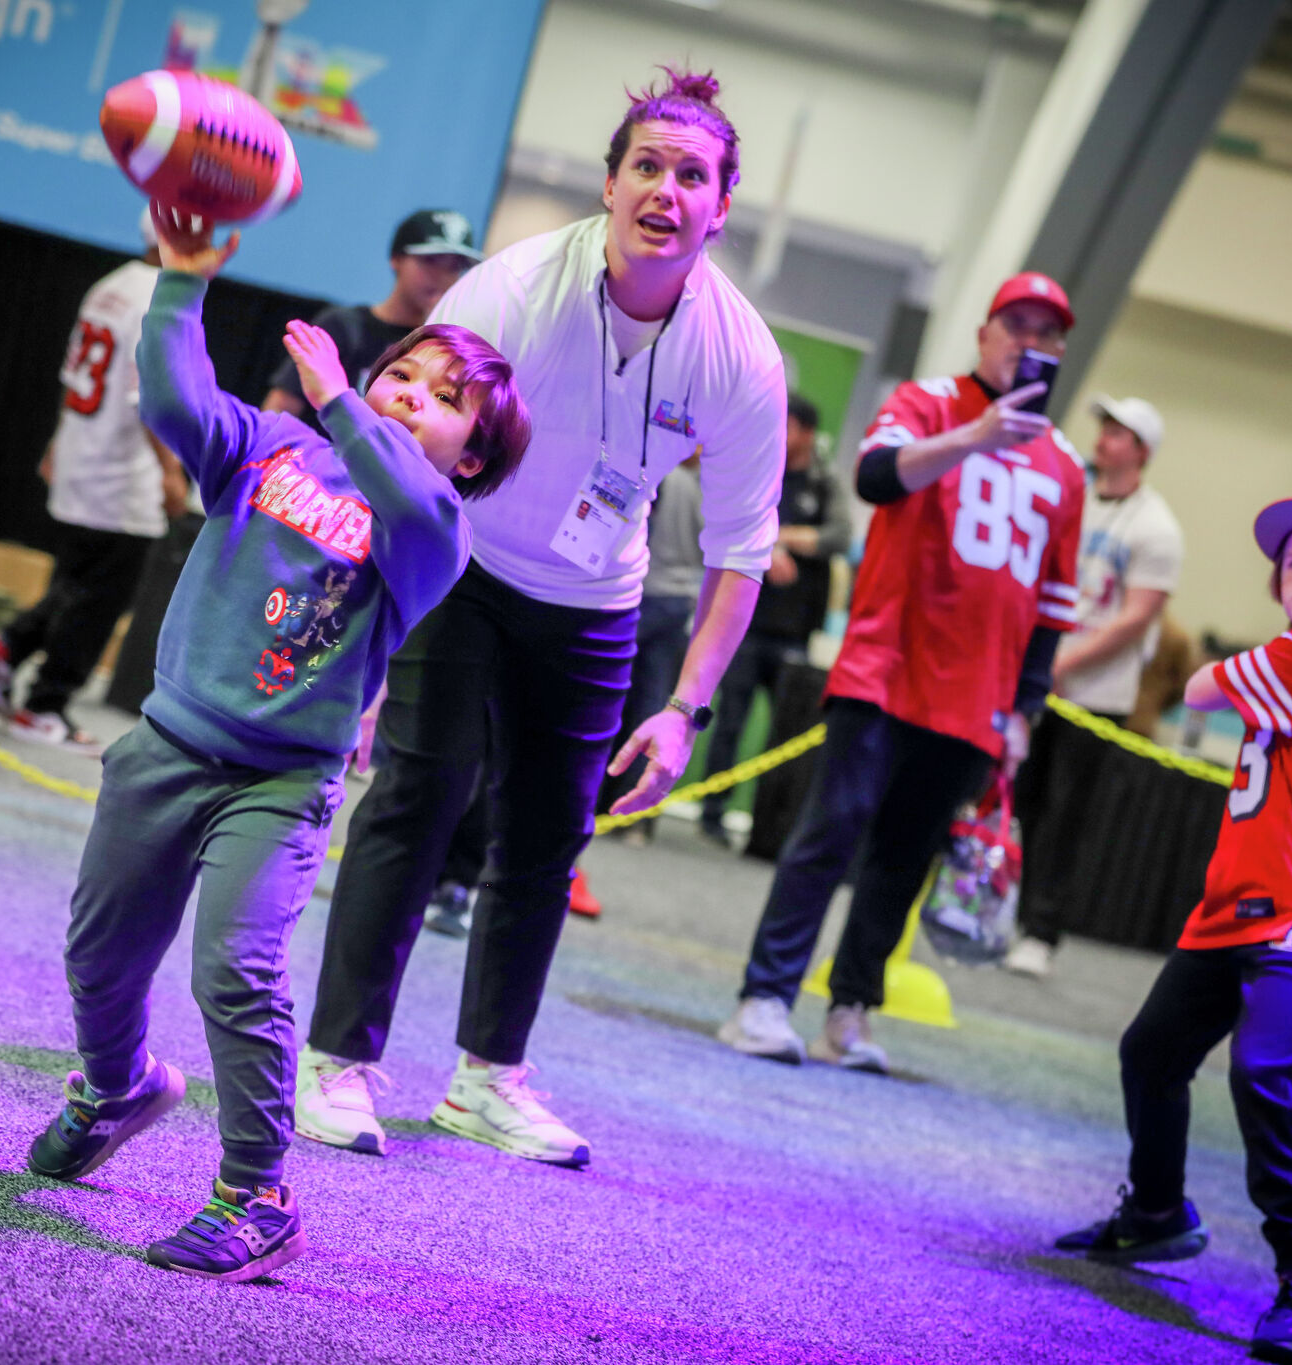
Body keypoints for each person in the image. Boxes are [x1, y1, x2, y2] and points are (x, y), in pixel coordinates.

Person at [23, 209, 529, 1284]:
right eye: (408, 377)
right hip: (165, 744)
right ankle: (112, 1086)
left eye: (447, 404)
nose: (412, 400)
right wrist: (181, 281)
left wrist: (346, 400)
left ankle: (257, 1196)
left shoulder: (433, 524)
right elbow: (172, 399)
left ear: (471, 458)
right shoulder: (272, 445)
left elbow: (398, 484)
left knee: (238, 973)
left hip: (283, 781)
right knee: (98, 958)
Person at [296, 67, 785, 1166]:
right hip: (458, 566)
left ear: (720, 205)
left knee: (546, 839)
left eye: (691, 175)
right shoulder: (508, 290)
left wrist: (685, 710)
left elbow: (739, 553)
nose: (666, 189)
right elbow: (404, 461)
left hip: (595, 600)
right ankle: (335, 1060)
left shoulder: (741, 357)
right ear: (609, 186)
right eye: (646, 167)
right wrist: (368, 643)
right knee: (418, 795)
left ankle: (485, 1078)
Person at [1056, 495, 1292, 1361]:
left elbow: (1200, 687)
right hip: (1245, 901)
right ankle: (1156, 1212)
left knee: (1260, 1071)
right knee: (1153, 1051)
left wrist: (1265, 651)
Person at [718, 271, 1086, 1072]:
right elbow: (874, 478)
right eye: (1016, 323)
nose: (1030, 341)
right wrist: (973, 437)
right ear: (986, 332)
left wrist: (1026, 706)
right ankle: (765, 998)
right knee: (830, 834)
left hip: (977, 697)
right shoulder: (926, 403)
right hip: (887, 668)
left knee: (904, 859)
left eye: (1048, 332)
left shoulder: (1066, 467)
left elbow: (1054, 605)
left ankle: (849, 1011)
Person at [0, 217, 189, 754]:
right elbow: (147, 396)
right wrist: (171, 470)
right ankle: (46, 704)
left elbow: (75, 375)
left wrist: (58, 443)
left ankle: (7, 647)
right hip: (121, 469)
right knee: (100, 597)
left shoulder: (109, 284)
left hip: (85, 453)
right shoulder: (160, 297)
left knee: (79, 580)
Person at [1003, 394, 1183, 977]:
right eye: (1103, 426)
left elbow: (1138, 617)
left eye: (1118, 431)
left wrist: (1066, 662)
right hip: (1037, 682)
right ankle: (1002, 909)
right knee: (1018, 799)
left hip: (1095, 696)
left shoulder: (1156, 527)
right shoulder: (1068, 492)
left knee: (1065, 814)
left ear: (1142, 452)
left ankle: (1042, 931)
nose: (1103, 437)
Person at [699, 392, 852, 848]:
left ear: (804, 433)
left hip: (795, 634)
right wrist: (767, 549)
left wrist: (776, 538)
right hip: (745, 625)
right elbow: (732, 520)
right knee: (729, 723)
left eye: (786, 425)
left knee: (786, 735)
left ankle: (769, 831)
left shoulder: (825, 483)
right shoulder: (762, 470)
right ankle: (712, 814)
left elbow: (839, 536)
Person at [261, 209, 482, 426]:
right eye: (431, 260)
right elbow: (279, 409)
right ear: (396, 259)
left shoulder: (449, 350)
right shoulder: (343, 326)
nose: (443, 276)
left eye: (455, 267)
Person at [597, 454, 706, 845]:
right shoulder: (709, 488)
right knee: (650, 706)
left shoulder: (663, 476)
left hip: (643, 595)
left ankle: (589, 803)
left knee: (604, 694)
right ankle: (631, 818)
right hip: (681, 605)